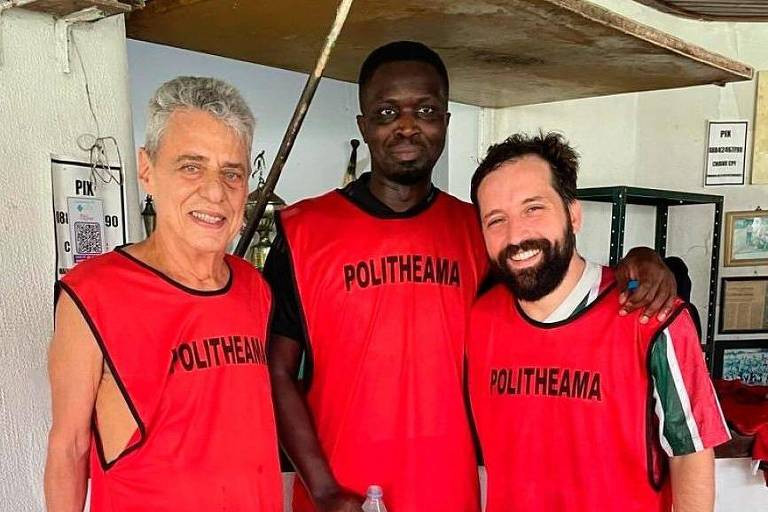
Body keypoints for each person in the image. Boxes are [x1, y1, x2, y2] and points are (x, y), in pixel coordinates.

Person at [265, 42, 677, 512]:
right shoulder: (304, 230)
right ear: (363, 125)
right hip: (341, 495)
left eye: (425, 109)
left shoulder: (481, 230)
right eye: (385, 112)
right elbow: (276, 369)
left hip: (451, 491)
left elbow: (556, 286)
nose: (406, 125)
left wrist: (639, 259)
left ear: (444, 122)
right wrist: (323, 488)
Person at [44, 77, 282, 512]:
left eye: (232, 173)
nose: (214, 192)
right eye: (191, 166)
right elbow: (69, 448)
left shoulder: (254, 289)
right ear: (147, 169)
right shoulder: (94, 293)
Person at [467, 132, 730, 511]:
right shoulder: (479, 320)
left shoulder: (653, 317)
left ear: (573, 214)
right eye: (496, 220)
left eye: (533, 208)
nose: (516, 235)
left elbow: (691, 454)